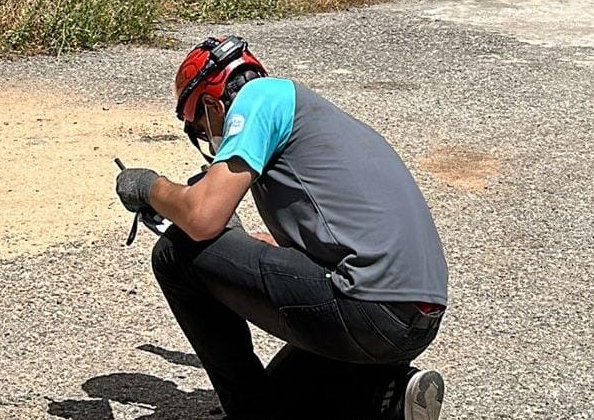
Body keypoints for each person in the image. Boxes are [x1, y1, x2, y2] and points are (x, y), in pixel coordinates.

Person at [115, 36, 449, 419]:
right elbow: (339, 234)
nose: (211, 142)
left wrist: (149, 186)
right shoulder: (317, 121)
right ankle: (386, 394)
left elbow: (202, 218)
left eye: (201, 130)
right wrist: (250, 245)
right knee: (281, 401)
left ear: (211, 105)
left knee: (177, 253)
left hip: (366, 306)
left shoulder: (259, 98)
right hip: (414, 322)